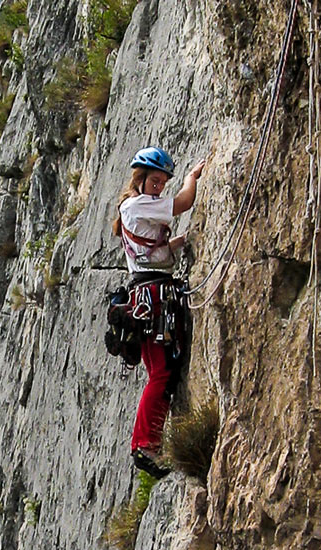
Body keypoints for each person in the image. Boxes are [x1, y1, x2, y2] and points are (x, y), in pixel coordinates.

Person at [112, 146, 204, 478]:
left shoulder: (134, 208)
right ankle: (144, 444)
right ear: (140, 178)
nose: (159, 187)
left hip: (149, 290)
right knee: (162, 373)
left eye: (163, 182)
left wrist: (181, 242)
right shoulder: (138, 204)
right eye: (154, 180)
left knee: (164, 371)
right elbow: (183, 203)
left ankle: (149, 442)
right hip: (152, 294)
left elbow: (152, 250)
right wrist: (192, 178)